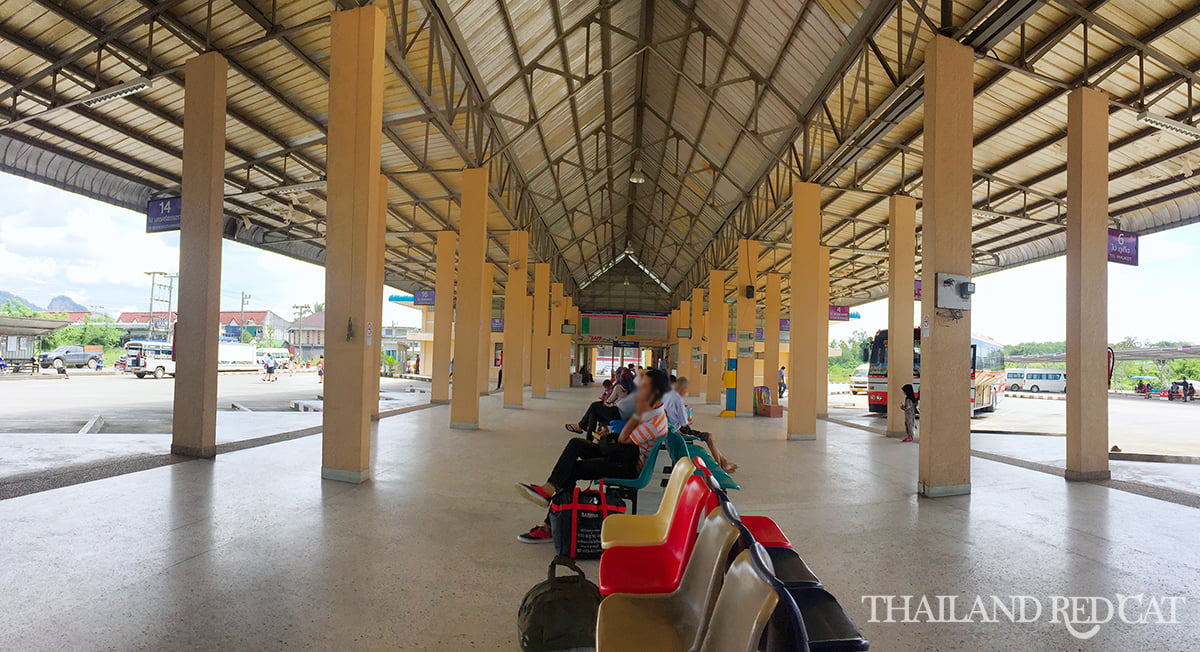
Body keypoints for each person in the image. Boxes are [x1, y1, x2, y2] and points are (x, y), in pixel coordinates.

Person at [516, 368, 672, 543]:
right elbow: (625, 437)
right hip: (623, 455)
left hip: (629, 467)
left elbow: (624, 438)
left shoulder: (656, 421)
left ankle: (549, 526)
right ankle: (548, 489)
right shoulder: (652, 411)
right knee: (576, 444)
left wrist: (636, 415)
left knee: (573, 469)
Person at [665, 377, 738, 473]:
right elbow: (684, 423)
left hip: (673, 430)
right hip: (680, 431)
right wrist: (689, 420)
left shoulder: (666, 397)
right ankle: (721, 466)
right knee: (710, 437)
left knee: (709, 437)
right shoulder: (677, 399)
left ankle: (724, 462)